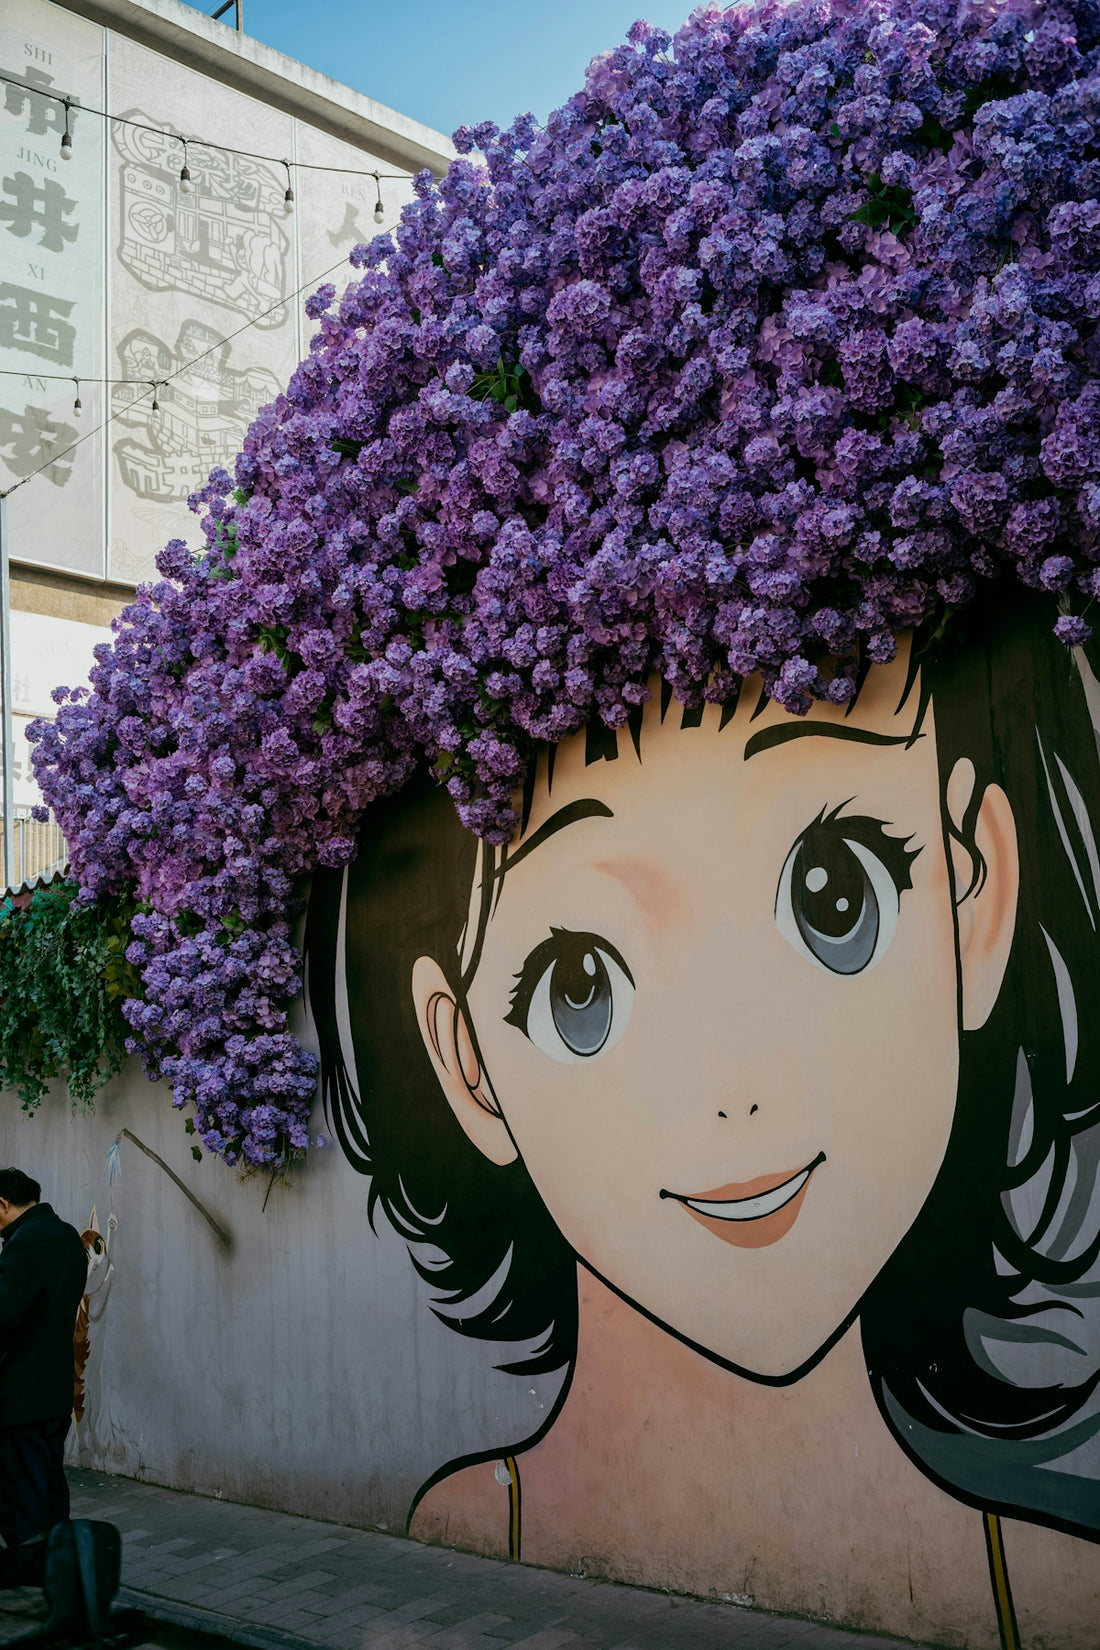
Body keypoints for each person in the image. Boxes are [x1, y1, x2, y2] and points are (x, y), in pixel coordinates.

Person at [305, 589, 1100, 1647]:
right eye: (577, 983)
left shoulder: (1052, 1586)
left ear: (975, 891)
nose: (736, 1083)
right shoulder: (459, 1523)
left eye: (836, 894)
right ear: (465, 1061)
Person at [0, 1168, 88, 1585]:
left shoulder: (24, 1244)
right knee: (50, 1488)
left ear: (1, 1204)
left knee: (24, 1497)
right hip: (54, 1390)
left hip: (18, 1396)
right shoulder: (67, 1235)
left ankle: (41, 1584)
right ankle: (65, 1577)